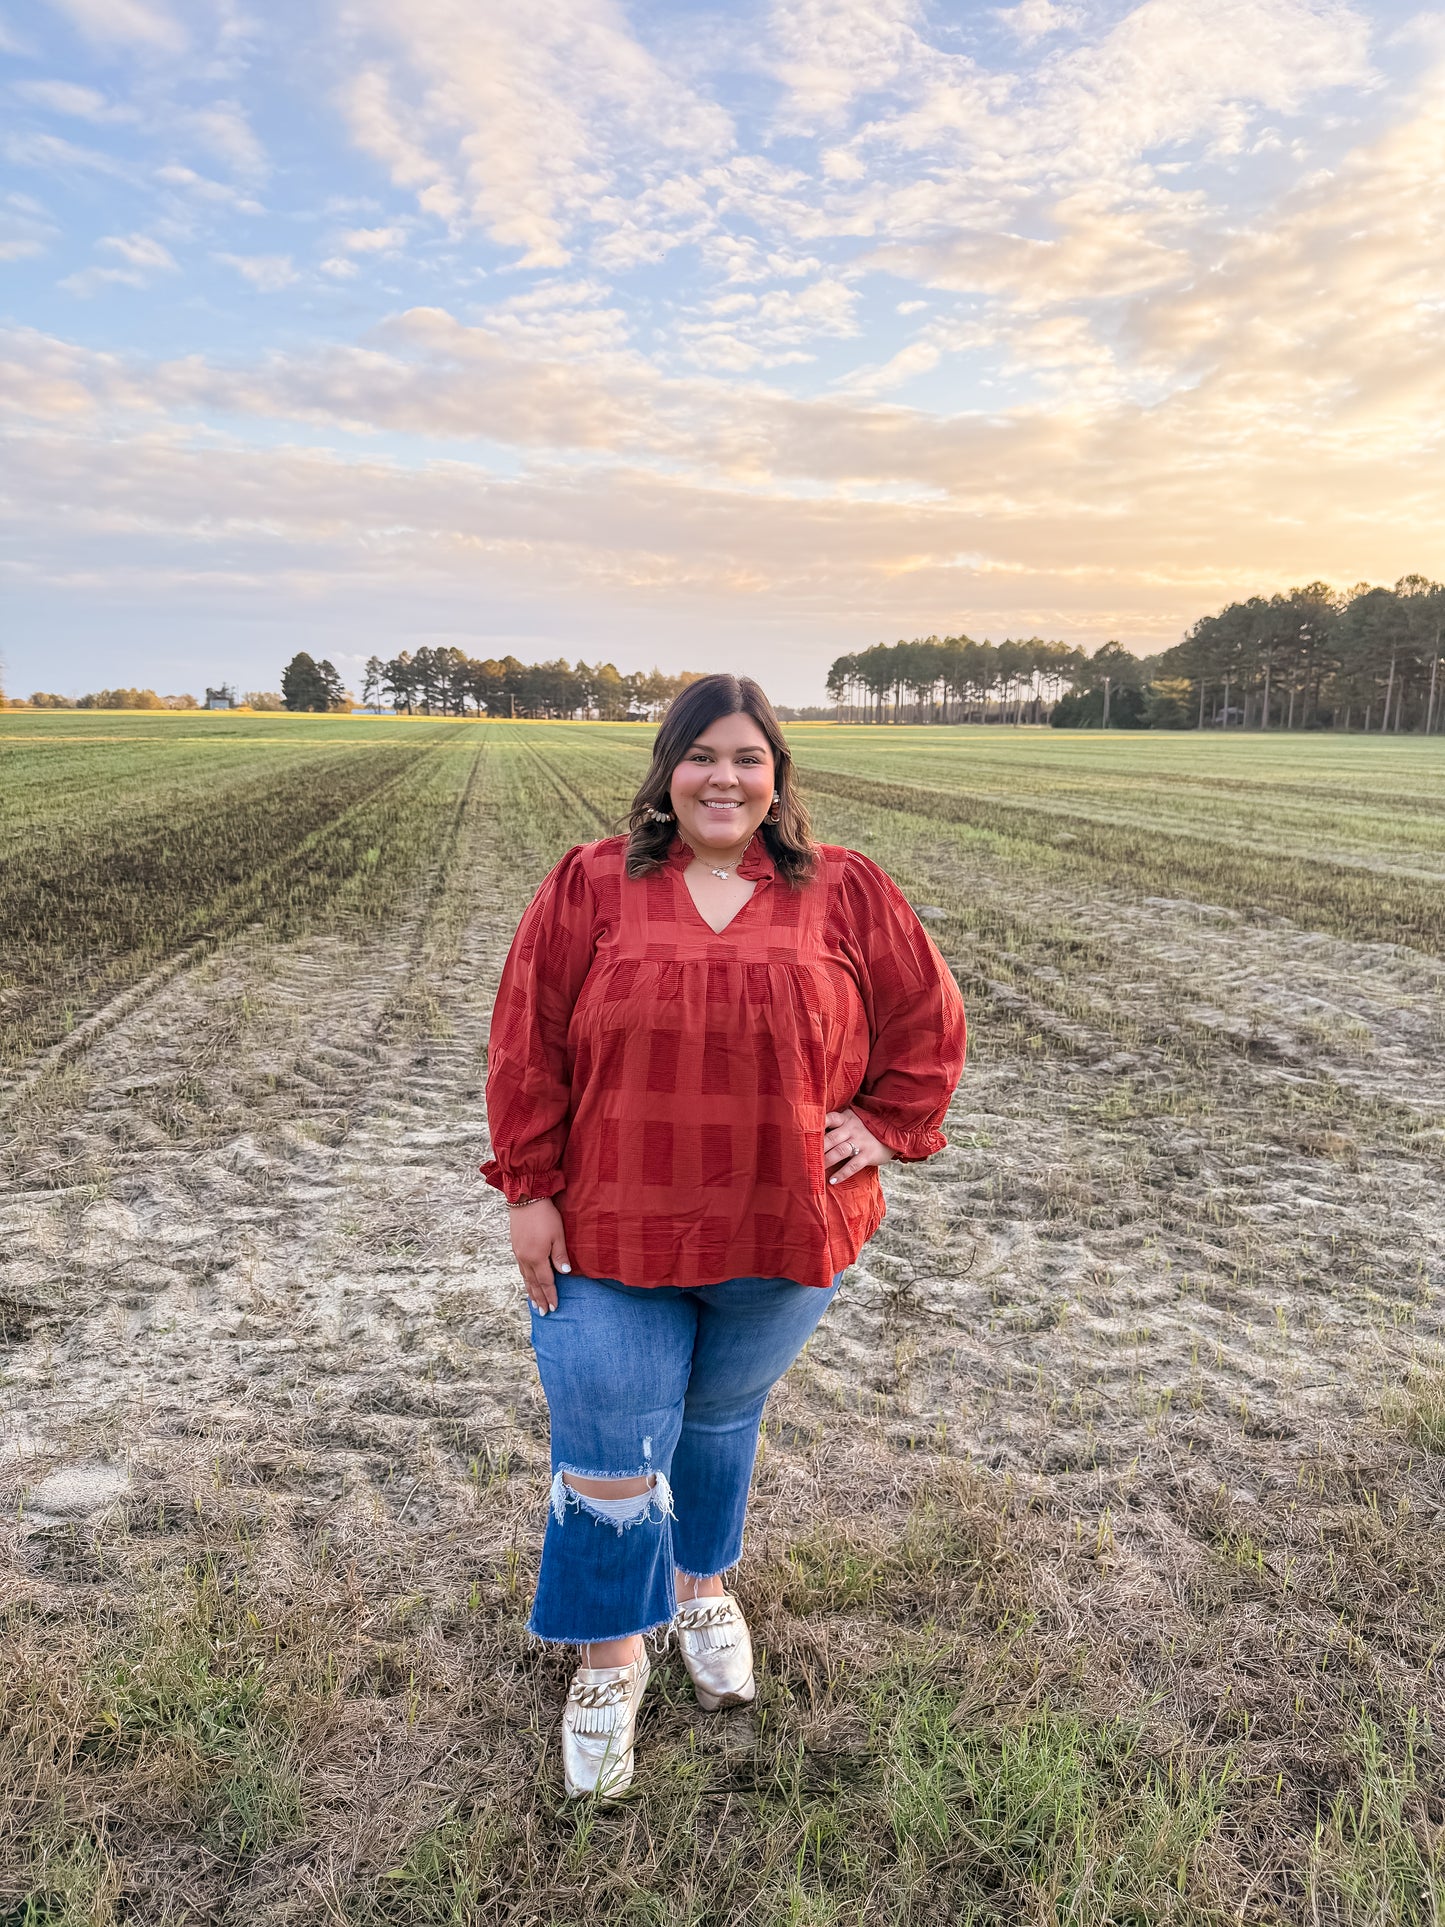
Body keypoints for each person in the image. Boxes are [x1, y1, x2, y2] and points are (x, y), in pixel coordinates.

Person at [481, 674, 967, 1799]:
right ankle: (609, 1663)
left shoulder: (841, 889)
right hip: (608, 1228)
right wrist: (527, 1190)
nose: (724, 777)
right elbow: (527, 1041)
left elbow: (927, 1019)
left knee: (715, 1423)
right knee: (608, 1450)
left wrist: (887, 1124)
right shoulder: (591, 883)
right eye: (702, 755)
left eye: (747, 757)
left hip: (780, 1226)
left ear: (776, 776)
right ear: (667, 770)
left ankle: (699, 1587)